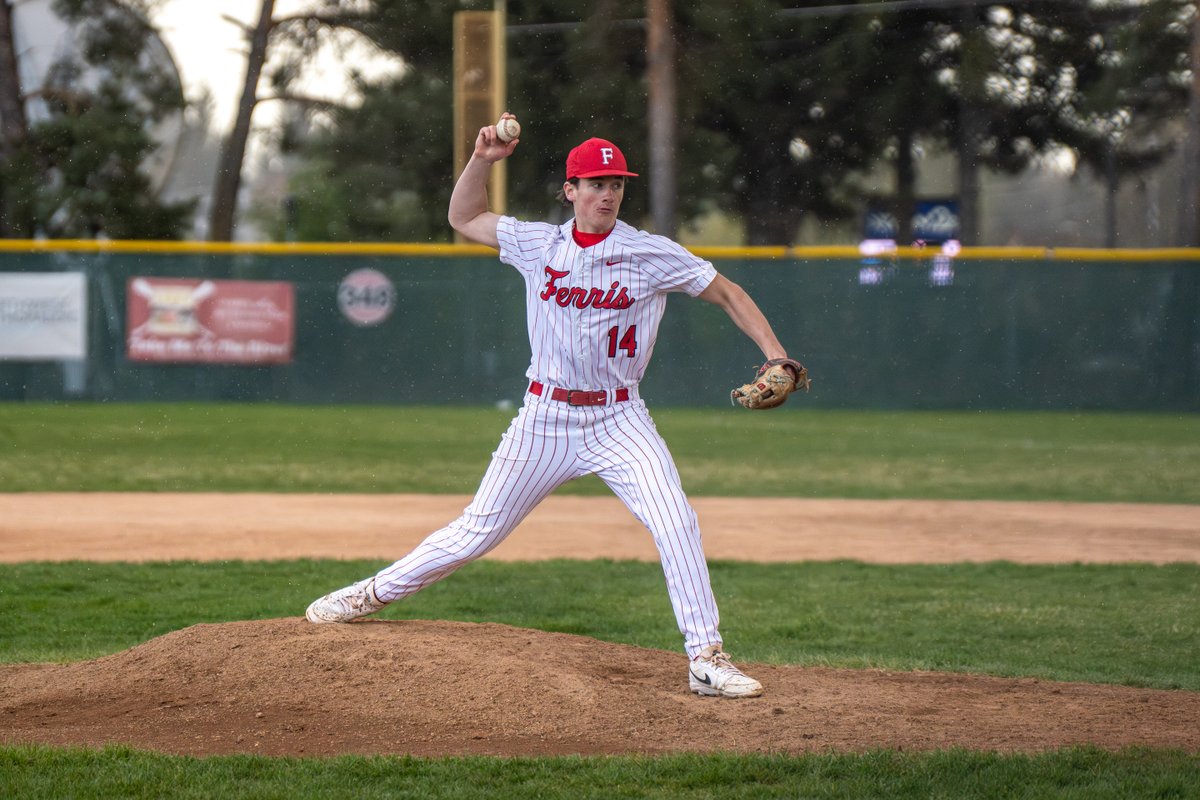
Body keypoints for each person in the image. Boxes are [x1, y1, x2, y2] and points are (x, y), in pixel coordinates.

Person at [306, 115, 800, 699]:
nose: (607, 193)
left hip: (620, 419)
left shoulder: (648, 252)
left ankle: (706, 655)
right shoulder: (538, 243)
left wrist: (777, 355)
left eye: (616, 184)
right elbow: (463, 217)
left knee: (676, 521)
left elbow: (727, 292)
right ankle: (370, 594)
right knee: (476, 532)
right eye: (595, 183)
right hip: (544, 418)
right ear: (571, 191)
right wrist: (484, 159)